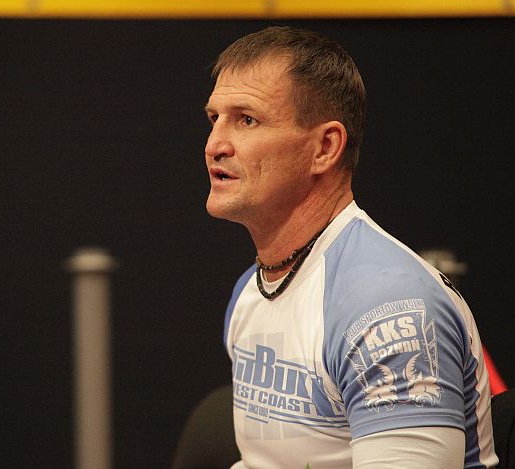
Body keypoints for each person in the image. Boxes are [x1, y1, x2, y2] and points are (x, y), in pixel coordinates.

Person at [204, 26, 498, 468]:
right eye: (214, 118)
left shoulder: (387, 307)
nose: (215, 145)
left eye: (247, 120)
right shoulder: (252, 290)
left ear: (324, 148)